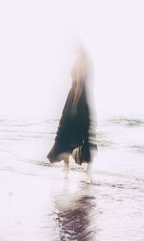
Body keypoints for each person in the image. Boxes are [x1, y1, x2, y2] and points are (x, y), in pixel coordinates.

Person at [47, 47, 96, 179]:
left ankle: (70, 167)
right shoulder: (80, 61)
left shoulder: (81, 62)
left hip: (76, 99)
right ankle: (76, 167)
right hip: (76, 98)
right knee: (78, 131)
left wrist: (74, 105)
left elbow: (79, 84)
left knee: (67, 130)